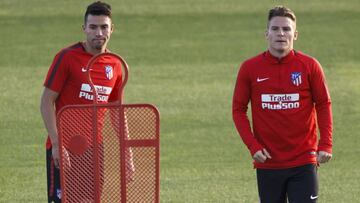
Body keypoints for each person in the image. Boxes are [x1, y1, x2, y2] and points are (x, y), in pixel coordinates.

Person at [232, 6, 333, 203]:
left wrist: (326, 143)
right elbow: (238, 110)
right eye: (275, 29)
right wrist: (253, 146)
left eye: (286, 29)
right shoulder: (250, 68)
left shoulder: (310, 66)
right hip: (268, 162)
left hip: (304, 160)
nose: (281, 33)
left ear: (295, 35)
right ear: (266, 34)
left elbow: (323, 104)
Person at [40, 1, 122, 202]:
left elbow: (117, 111)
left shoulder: (116, 64)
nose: (98, 33)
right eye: (93, 27)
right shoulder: (67, 57)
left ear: (112, 29)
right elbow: (46, 102)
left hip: (95, 150)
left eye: (104, 27)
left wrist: (127, 154)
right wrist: (57, 145)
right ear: (84, 28)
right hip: (65, 148)